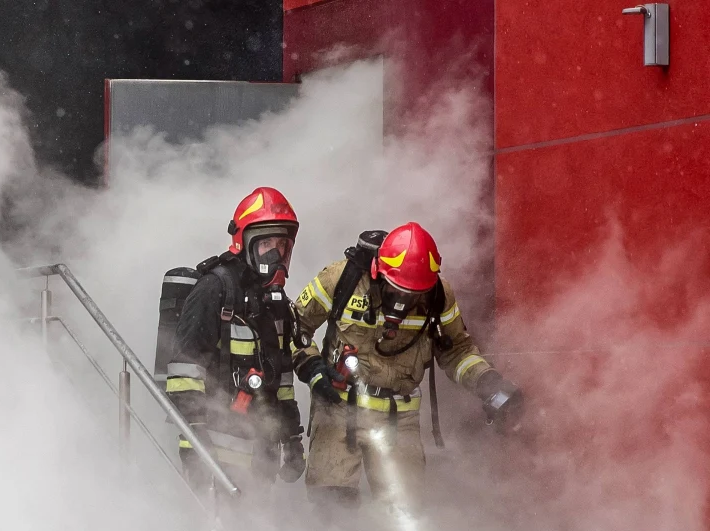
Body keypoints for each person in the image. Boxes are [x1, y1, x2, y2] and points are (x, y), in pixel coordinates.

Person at [291, 222, 522, 512]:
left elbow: (457, 351)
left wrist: (489, 382)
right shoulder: (341, 279)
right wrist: (312, 368)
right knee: (332, 506)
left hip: (398, 418)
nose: (401, 302)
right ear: (377, 272)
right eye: (396, 290)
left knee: (402, 514)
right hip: (339, 409)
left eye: (411, 295)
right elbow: (292, 327)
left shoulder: (439, 296)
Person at [164, 187, 305, 503]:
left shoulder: (274, 304)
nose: (276, 256)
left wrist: (292, 436)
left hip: (259, 458)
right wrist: (195, 436)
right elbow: (185, 366)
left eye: (282, 246)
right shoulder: (215, 288)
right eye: (267, 244)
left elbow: (281, 378)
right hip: (214, 455)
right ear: (244, 243)